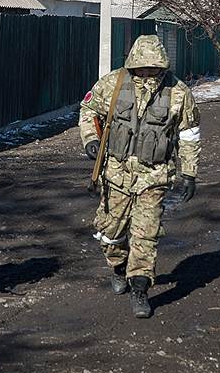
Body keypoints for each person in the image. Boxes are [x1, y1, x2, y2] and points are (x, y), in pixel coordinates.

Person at [79, 35, 201, 318]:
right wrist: (90, 140)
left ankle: (140, 288)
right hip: (115, 174)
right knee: (110, 233)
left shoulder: (178, 92)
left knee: (146, 235)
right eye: (141, 69)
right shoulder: (113, 84)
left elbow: (189, 135)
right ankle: (119, 267)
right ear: (133, 65)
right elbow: (87, 110)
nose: (147, 75)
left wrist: (189, 173)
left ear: (162, 67)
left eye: (153, 69)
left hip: (154, 176)